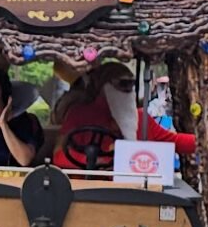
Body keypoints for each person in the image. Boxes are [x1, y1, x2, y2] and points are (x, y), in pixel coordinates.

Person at [53, 60, 196, 170]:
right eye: (122, 84)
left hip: (132, 192)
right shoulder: (80, 113)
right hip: (86, 189)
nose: (127, 90)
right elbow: (59, 156)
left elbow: (177, 142)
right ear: (102, 86)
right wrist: (97, 161)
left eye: (130, 84)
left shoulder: (141, 119)